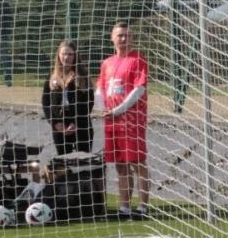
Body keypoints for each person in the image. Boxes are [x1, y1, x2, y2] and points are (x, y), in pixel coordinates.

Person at [96, 21, 150, 220]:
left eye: (128, 35)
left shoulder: (138, 60)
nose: (124, 39)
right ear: (112, 38)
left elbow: (139, 89)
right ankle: (124, 207)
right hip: (111, 122)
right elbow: (100, 89)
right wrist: (103, 109)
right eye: (120, 35)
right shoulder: (107, 63)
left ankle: (143, 208)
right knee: (120, 165)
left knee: (138, 163)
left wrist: (118, 110)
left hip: (131, 121)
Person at [41, 40, 94, 155]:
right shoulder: (52, 76)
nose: (66, 57)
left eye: (70, 54)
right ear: (58, 55)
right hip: (60, 127)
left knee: (83, 163)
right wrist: (55, 122)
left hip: (81, 126)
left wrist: (76, 123)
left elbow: (88, 103)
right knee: (63, 163)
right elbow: (45, 102)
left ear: (75, 56)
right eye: (63, 54)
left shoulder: (83, 76)